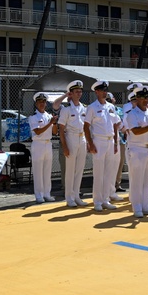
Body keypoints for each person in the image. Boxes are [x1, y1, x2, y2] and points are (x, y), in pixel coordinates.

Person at [123, 86, 148, 218]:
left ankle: (146, 205)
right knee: (137, 179)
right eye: (142, 97)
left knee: (147, 179)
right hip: (136, 148)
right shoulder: (132, 114)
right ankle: (137, 207)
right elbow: (136, 131)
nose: (146, 100)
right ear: (137, 99)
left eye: (147, 97)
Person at [83, 80, 121, 212]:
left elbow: (115, 125)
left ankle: (106, 199)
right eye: (102, 90)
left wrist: (116, 142)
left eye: (106, 90)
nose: (105, 93)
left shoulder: (111, 106)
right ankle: (97, 201)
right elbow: (86, 126)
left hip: (110, 141)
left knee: (108, 172)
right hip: (98, 141)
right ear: (96, 92)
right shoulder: (92, 107)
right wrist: (90, 143)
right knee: (99, 173)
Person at [58, 80, 88, 208]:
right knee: (70, 170)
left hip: (82, 138)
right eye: (76, 92)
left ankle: (77, 195)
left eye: (80, 91)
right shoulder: (66, 110)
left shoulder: (84, 108)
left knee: (80, 169)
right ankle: (69, 197)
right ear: (71, 94)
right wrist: (64, 146)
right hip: (71, 137)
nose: (79, 94)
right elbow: (61, 129)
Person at [28, 92, 57, 204]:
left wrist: (54, 124)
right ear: (36, 104)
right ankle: (39, 195)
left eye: (44, 102)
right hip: (38, 144)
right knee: (38, 170)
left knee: (47, 170)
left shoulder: (49, 116)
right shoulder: (33, 117)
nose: (42, 104)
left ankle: (47, 193)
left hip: (48, 143)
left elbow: (55, 132)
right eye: (40, 102)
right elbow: (38, 132)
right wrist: (50, 123)